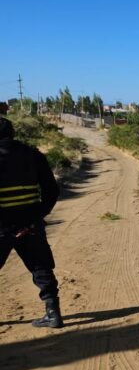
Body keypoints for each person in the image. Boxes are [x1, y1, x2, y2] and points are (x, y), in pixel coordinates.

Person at [0, 117, 63, 328]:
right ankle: (53, 313)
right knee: (41, 266)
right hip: (31, 224)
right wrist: (37, 216)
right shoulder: (33, 155)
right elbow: (52, 191)